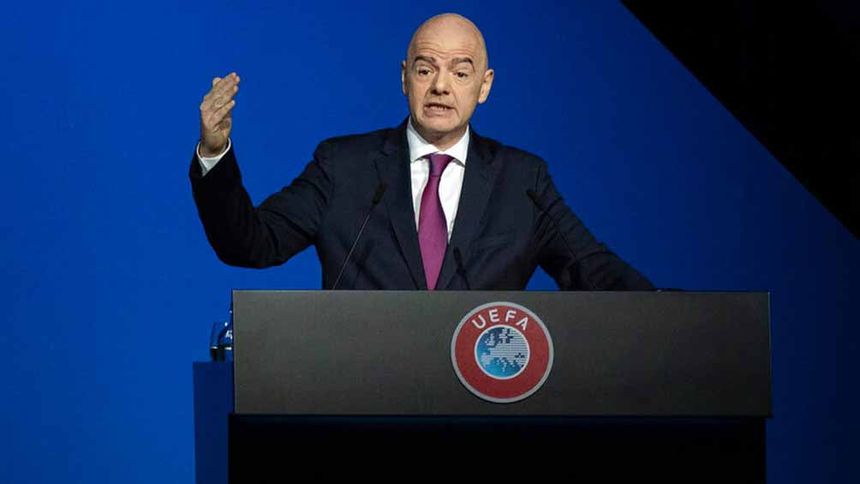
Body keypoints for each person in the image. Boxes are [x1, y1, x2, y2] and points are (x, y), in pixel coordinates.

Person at [190, 13, 654, 291]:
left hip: (480, 401)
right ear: (404, 77)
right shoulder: (343, 167)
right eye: (426, 69)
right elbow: (251, 244)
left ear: (484, 86)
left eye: (460, 72)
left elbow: (589, 268)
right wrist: (215, 152)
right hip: (360, 397)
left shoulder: (522, 180)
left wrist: (672, 313)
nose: (440, 87)